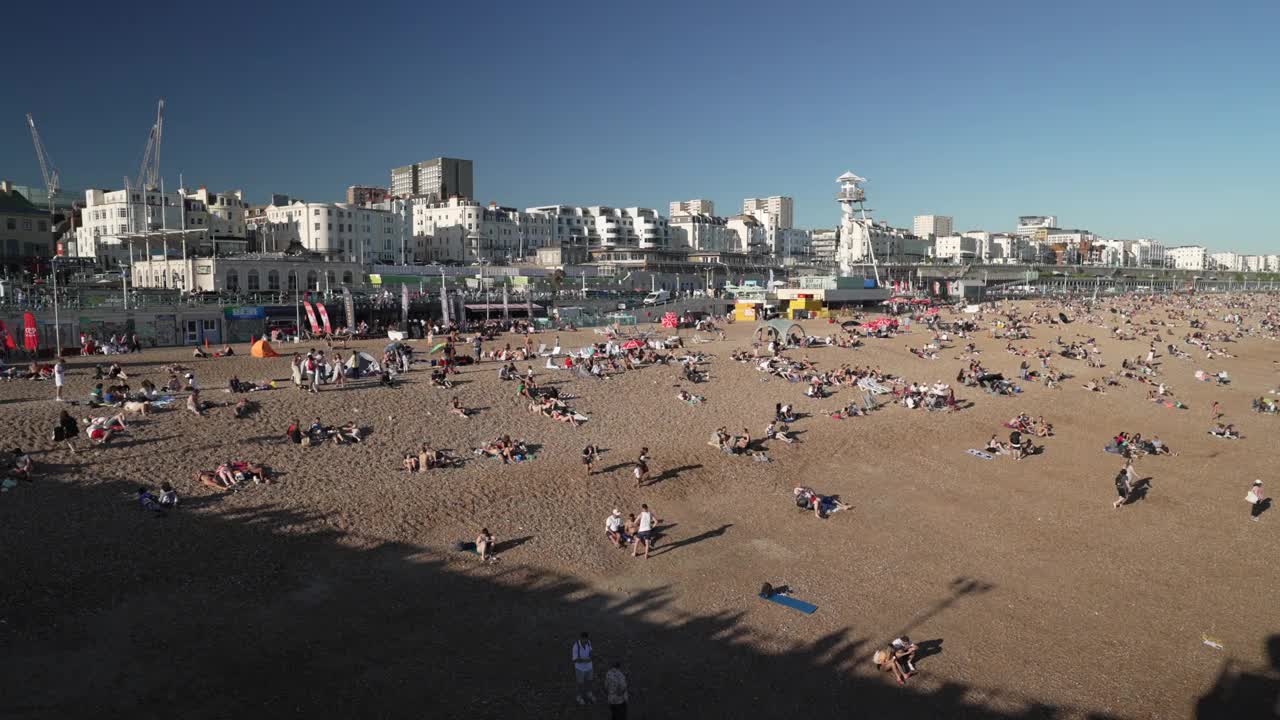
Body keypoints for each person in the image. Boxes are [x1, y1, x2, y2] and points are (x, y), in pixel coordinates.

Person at [572, 632, 595, 705]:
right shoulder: (576, 646)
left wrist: (591, 656)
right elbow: (575, 660)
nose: (585, 641)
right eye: (583, 639)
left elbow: (591, 651)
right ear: (580, 638)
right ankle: (579, 697)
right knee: (580, 684)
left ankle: (589, 693)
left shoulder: (589, 642)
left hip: (589, 667)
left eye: (586, 639)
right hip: (580, 669)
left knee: (589, 681)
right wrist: (585, 660)